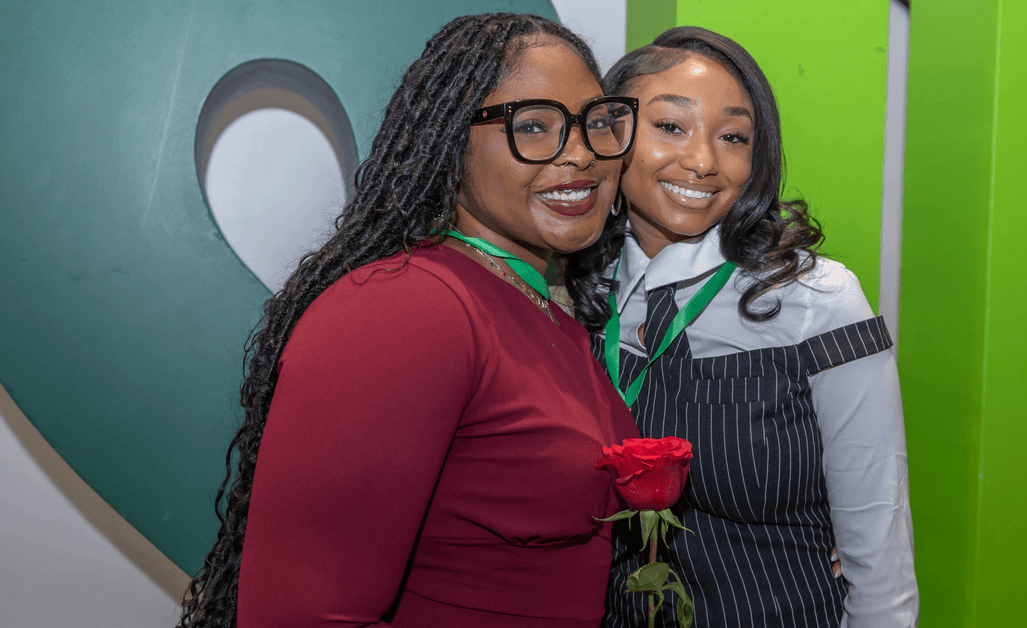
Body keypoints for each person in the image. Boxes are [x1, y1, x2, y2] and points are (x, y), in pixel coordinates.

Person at [176, 13, 641, 628]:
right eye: (534, 126)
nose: (580, 154)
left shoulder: (538, 305)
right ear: (451, 138)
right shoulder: (404, 308)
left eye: (597, 123)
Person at [566, 27, 918, 628]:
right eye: (671, 127)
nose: (702, 160)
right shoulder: (575, 290)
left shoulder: (816, 298)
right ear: (609, 134)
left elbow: (879, 544)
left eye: (733, 136)